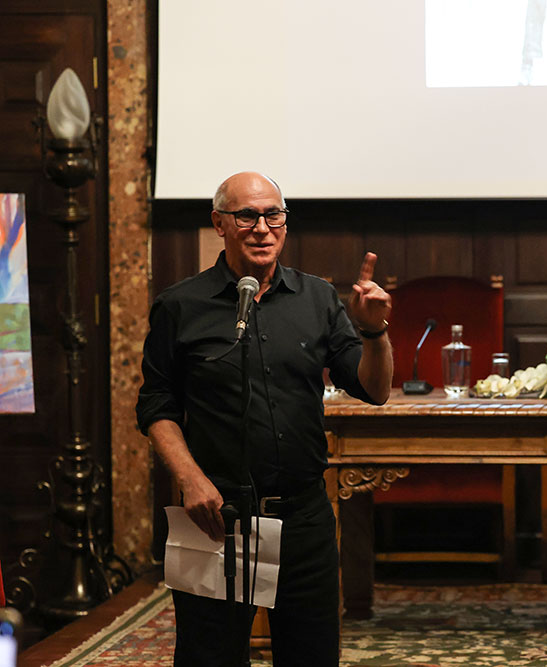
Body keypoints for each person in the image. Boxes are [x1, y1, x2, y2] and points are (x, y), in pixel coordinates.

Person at [136, 171, 392, 667]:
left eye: (273, 215)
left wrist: (374, 331)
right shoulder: (180, 305)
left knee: (311, 655)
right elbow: (156, 405)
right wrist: (189, 479)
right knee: (209, 656)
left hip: (303, 515)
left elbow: (373, 390)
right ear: (219, 224)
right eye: (247, 216)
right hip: (214, 518)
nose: (262, 227)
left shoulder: (317, 298)